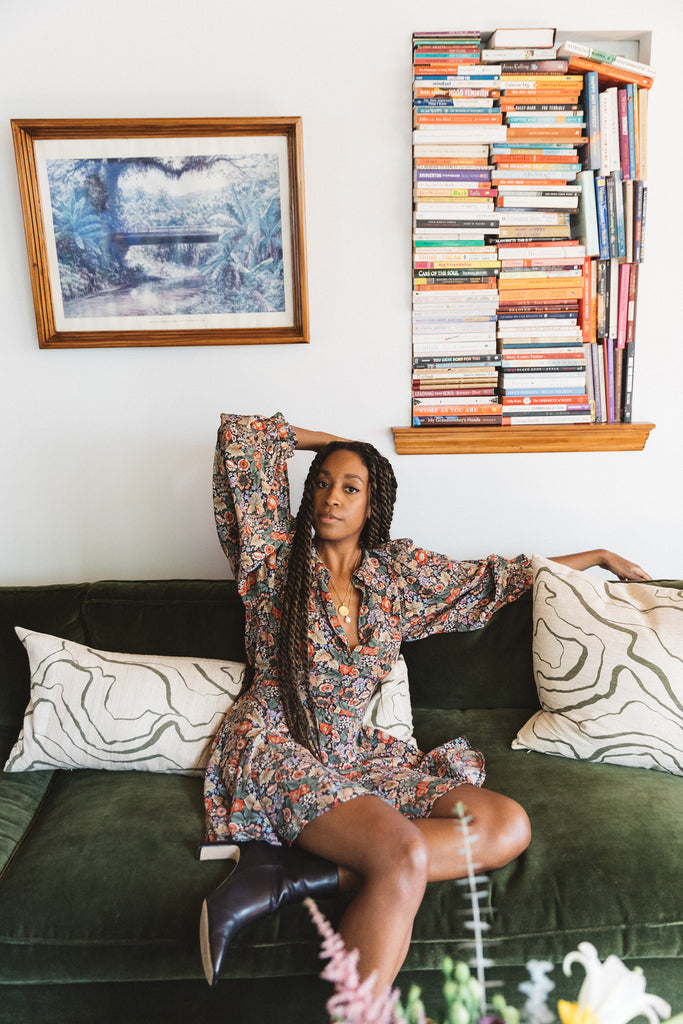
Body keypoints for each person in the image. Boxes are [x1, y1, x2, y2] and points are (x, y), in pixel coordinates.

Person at [200, 412, 651, 992]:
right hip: (275, 747)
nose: (329, 497)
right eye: (321, 482)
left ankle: (290, 873)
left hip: (353, 754)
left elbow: (493, 581)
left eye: (349, 487)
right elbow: (240, 439)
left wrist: (597, 556)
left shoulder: (394, 578)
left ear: (373, 504)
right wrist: (338, 440)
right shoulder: (273, 559)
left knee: (504, 824)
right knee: (403, 853)